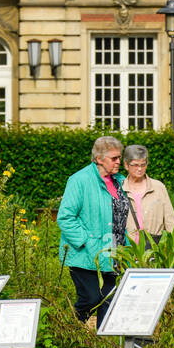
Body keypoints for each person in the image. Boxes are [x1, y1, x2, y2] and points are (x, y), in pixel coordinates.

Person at [57, 135, 129, 330]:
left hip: (115, 253)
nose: (118, 162)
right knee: (91, 298)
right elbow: (65, 217)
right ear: (99, 159)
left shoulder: (121, 182)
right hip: (85, 255)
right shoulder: (79, 180)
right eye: (114, 158)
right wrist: (86, 241)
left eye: (119, 157)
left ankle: (105, 346)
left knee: (109, 301)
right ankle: (68, 329)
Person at [121, 144, 174, 242]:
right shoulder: (120, 189)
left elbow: (170, 221)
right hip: (128, 250)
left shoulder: (158, 187)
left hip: (154, 249)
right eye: (135, 165)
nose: (139, 169)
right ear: (126, 165)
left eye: (143, 164)